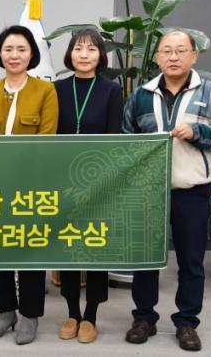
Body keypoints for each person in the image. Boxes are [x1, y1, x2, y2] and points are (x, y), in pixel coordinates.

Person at [122, 29, 211, 352]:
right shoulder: (141, 95)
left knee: (191, 261)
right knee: (145, 258)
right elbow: (126, 139)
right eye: (167, 51)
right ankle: (143, 318)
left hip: (192, 190)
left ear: (194, 56)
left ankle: (187, 322)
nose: (173, 57)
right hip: (149, 192)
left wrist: (199, 131)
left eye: (180, 51)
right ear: (157, 57)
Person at [0, 25, 58, 345]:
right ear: (0, 54)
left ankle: (30, 315)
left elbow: (46, 140)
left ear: (31, 54)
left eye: (21, 49)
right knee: (0, 248)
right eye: (8, 49)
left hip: (31, 186)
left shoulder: (45, 91)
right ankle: (5, 311)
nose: (14, 55)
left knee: (30, 250)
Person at [53, 29, 123, 343]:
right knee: (68, 247)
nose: (84, 55)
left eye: (91, 49)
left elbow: (113, 138)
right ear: (70, 54)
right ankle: (72, 312)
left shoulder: (112, 90)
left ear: (100, 56)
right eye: (78, 48)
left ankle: (91, 315)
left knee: (94, 247)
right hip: (63, 181)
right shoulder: (57, 89)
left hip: (98, 181)